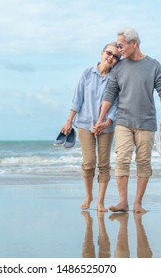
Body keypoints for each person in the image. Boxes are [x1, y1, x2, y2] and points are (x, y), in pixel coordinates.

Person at [94, 28, 161, 214]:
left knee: (144, 162)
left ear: (134, 43)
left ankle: (137, 203)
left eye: (121, 46)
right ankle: (123, 202)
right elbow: (110, 93)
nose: (119, 50)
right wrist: (101, 118)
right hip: (123, 121)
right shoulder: (119, 68)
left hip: (146, 122)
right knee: (122, 159)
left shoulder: (153, 65)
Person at [60, 42, 120, 212]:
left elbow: (116, 104)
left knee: (104, 164)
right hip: (85, 124)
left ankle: (100, 201)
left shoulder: (115, 78)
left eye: (116, 56)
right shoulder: (87, 73)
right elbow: (77, 98)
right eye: (109, 53)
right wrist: (69, 121)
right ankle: (89, 195)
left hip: (106, 127)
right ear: (102, 53)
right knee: (88, 163)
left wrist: (108, 121)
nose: (111, 57)